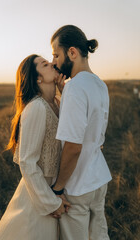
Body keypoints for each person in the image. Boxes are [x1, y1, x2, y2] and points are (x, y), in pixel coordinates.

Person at [0, 54, 70, 240]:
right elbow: (27, 162)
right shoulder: (36, 108)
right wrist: (51, 202)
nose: (52, 63)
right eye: (45, 64)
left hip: (56, 189)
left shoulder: (57, 103)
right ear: (38, 78)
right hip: (38, 197)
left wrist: (63, 91)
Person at [50, 25, 112, 240]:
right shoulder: (99, 84)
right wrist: (64, 93)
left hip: (78, 186)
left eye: (56, 54)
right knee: (99, 236)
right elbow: (92, 131)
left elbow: (74, 146)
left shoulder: (75, 87)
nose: (54, 62)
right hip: (98, 178)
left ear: (72, 52)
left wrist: (57, 189)